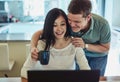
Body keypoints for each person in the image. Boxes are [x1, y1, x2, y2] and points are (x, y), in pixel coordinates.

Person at [30, 0, 111, 76]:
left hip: (97, 56)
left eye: (77, 22)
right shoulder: (66, 22)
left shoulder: (102, 25)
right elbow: (38, 33)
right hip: (78, 53)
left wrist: (85, 45)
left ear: (88, 17)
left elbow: (106, 48)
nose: (71, 25)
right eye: (70, 20)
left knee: (94, 78)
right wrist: (33, 47)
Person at [21, 8, 90, 79]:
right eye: (54, 25)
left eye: (62, 24)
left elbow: (86, 71)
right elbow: (24, 72)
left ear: (67, 25)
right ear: (49, 27)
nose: (59, 29)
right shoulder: (42, 44)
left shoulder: (75, 44)